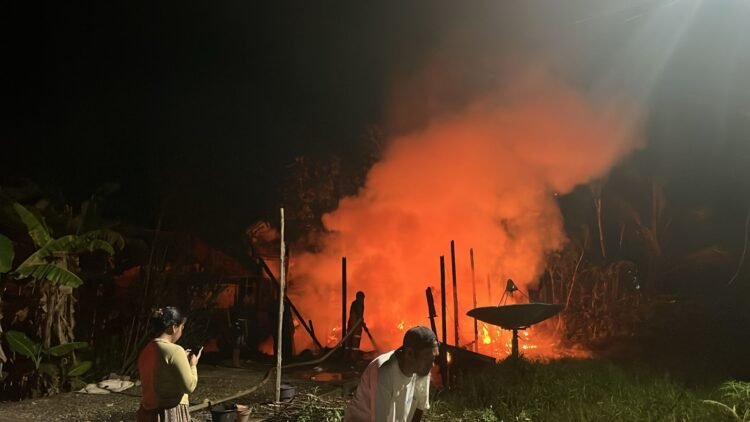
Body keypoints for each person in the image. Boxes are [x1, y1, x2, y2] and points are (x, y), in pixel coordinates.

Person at [344, 326, 439, 422]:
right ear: (409, 353)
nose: (432, 365)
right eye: (427, 358)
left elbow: (419, 408)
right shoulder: (384, 372)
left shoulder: (422, 370)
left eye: (433, 358)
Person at [137, 306, 200, 422]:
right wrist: (192, 365)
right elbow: (189, 386)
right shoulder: (176, 351)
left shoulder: (147, 349)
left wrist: (182, 359)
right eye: (182, 327)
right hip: (169, 411)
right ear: (174, 327)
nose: (181, 331)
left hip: (148, 412)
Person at [344, 291, 366, 362]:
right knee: (355, 343)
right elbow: (359, 315)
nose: (363, 300)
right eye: (362, 298)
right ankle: (353, 358)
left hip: (351, 325)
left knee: (349, 341)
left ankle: (347, 356)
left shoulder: (354, 303)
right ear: (360, 298)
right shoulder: (359, 304)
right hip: (356, 327)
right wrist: (362, 323)